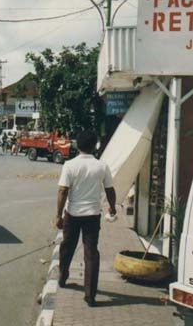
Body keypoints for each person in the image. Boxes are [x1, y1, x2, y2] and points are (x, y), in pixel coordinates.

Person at [55, 130, 116, 307]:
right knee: (91, 253)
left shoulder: (69, 165)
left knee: (67, 246)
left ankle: (63, 275)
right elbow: (110, 190)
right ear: (95, 146)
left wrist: (58, 215)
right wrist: (112, 207)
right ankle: (90, 294)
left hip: (72, 214)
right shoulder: (102, 166)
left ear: (77, 145)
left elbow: (62, 190)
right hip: (92, 215)